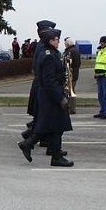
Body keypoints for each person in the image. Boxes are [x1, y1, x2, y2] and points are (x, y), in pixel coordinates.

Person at [17, 28, 73, 167]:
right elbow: (48, 80)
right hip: (50, 96)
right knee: (56, 126)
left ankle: (32, 145)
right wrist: (60, 98)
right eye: (56, 39)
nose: (58, 41)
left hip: (49, 95)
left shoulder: (50, 53)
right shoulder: (48, 55)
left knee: (52, 126)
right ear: (50, 40)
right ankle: (55, 156)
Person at [62, 37, 81, 115]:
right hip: (73, 74)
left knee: (70, 91)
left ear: (68, 44)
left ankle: (71, 108)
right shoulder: (74, 50)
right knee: (70, 91)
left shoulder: (70, 51)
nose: (64, 45)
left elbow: (68, 63)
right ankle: (70, 107)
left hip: (70, 74)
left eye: (65, 44)